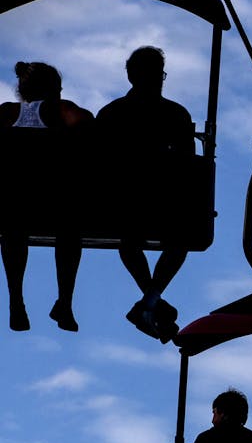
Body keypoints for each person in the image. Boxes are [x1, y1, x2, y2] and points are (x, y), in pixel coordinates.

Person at [96, 46, 193, 342]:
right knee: (179, 240)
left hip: (121, 205)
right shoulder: (176, 114)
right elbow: (188, 164)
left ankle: (150, 303)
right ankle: (150, 303)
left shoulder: (111, 113)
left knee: (130, 241)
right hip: (158, 204)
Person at [1, 61, 93, 332]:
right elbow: (88, 124)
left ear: (22, 89)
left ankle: (16, 300)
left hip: (14, 203)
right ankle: (65, 301)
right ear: (56, 90)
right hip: (56, 203)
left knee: (13, 231)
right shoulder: (63, 110)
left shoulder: (7, 113)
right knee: (69, 232)